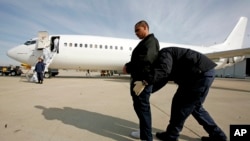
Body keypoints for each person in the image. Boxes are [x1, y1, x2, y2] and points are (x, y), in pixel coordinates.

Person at [138, 47, 227, 141]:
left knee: (182, 106)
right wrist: (148, 91)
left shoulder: (164, 54)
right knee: (191, 106)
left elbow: (164, 71)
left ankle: (171, 135)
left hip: (199, 75)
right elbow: (164, 79)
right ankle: (218, 136)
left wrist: (146, 82)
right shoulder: (163, 59)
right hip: (197, 76)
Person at [123, 20, 160, 141]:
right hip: (138, 81)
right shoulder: (145, 42)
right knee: (139, 108)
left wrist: (129, 67)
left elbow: (146, 61)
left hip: (142, 82)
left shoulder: (151, 42)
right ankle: (143, 131)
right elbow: (138, 59)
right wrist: (128, 64)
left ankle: (146, 138)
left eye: (137, 30)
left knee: (143, 109)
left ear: (145, 28)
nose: (136, 33)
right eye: (135, 31)